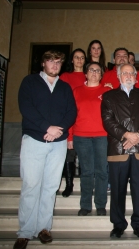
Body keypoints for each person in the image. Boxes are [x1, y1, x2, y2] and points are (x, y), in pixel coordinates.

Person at [14, 50, 76, 249]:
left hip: (57, 143)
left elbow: (71, 112)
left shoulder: (65, 87)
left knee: (50, 187)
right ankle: (25, 232)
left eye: (58, 62)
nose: (55, 65)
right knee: (31, 186)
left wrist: (58, 131)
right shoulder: (29, 82)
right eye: (51, 61)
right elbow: (26, 107)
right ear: (43, 63)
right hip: (34, 140)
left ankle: (43, 228)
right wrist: (46, 128)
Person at [101, 63, 139, 238]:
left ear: (136, 77)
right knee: (117, 190)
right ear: (118, 76)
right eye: (124, 73)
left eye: (131, 73)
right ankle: (118, 224)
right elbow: (107, 121)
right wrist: (126, 135)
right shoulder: (109, 97)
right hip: (118, 149)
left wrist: (138, 135)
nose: (128, 76)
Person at [69, 62, 110, 216]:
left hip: (102, 136)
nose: (94, 72)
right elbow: (71, 115)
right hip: (81, 136)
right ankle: (85, 205)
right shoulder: (76, 91)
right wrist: (70, 136)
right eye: (91, 70)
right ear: (85, 74)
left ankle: (100, 204)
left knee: (101, 171)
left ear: (101, 75)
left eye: (97, 70)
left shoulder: (107, 91)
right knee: (86, 171)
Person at [58, 48, 87, 197]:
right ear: (72, 60)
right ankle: (69, 184)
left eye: (82, 58)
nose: (79, 60)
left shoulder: (89, 76)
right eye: (77, 57)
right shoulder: (65, 76)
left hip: (84, 120)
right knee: (69, 155)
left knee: (84, 156)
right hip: (68, 118)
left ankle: (84, 185)